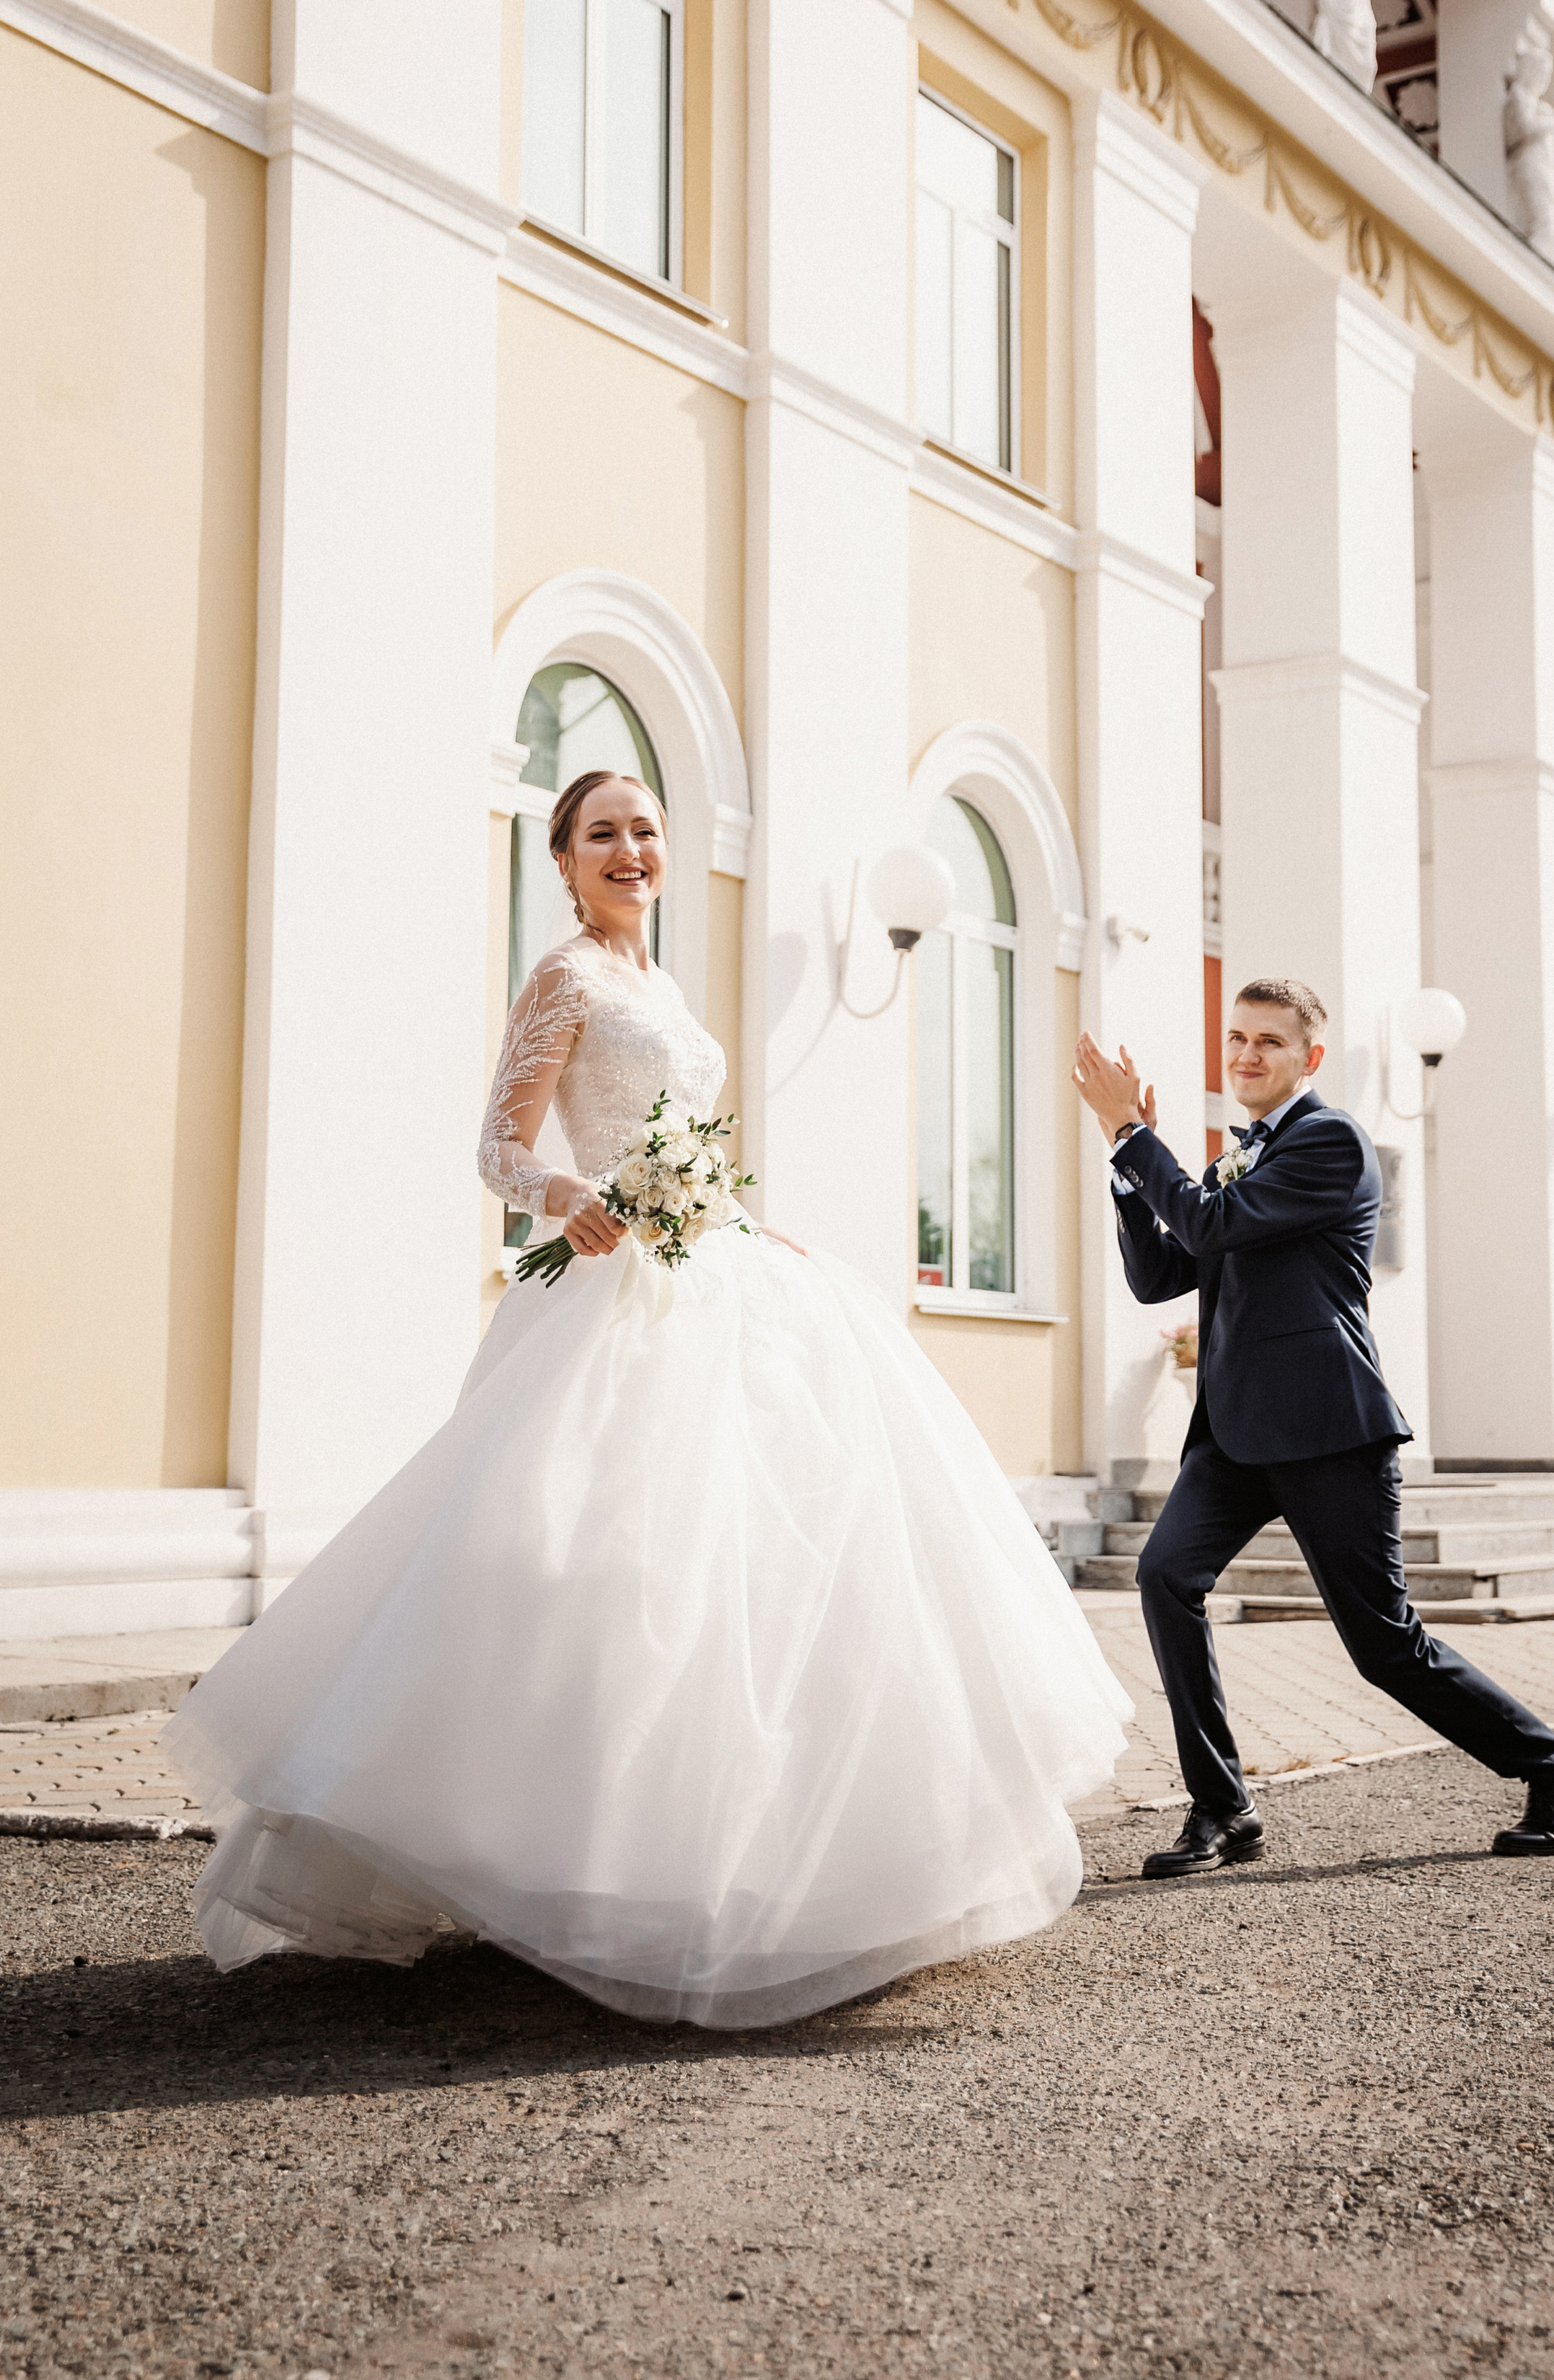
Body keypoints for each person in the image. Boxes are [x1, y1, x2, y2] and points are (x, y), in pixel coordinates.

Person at [165, 771, 1129, 2028]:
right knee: (605, 1568)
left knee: (768, 1570)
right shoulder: (564, 977)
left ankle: (777, 1870)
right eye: (602, 833)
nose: (630, 848)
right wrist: (572, 1201)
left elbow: (689, 1140)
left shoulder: (662, 988)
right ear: (563, 859)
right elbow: (499, 1150)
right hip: (615, 1294)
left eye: (645, 830)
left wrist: (735, 1218)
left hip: (714, 1268)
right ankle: (571, 1862)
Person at [1072, 976, 1554, 1878]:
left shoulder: (1331, 1143)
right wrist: (1125, 1167)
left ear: (1309, 1058)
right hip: (1236, 1433)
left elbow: (1205, 1221)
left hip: (1327, 1429)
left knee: (1382, 1645)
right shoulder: (1243, 1154)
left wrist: (1133, 1131)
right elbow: (1164, 1274)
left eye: (1268, 1042)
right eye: (1236, 1037)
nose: (1244, 1054)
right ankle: (1222, 1807)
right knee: (1165, 1576)